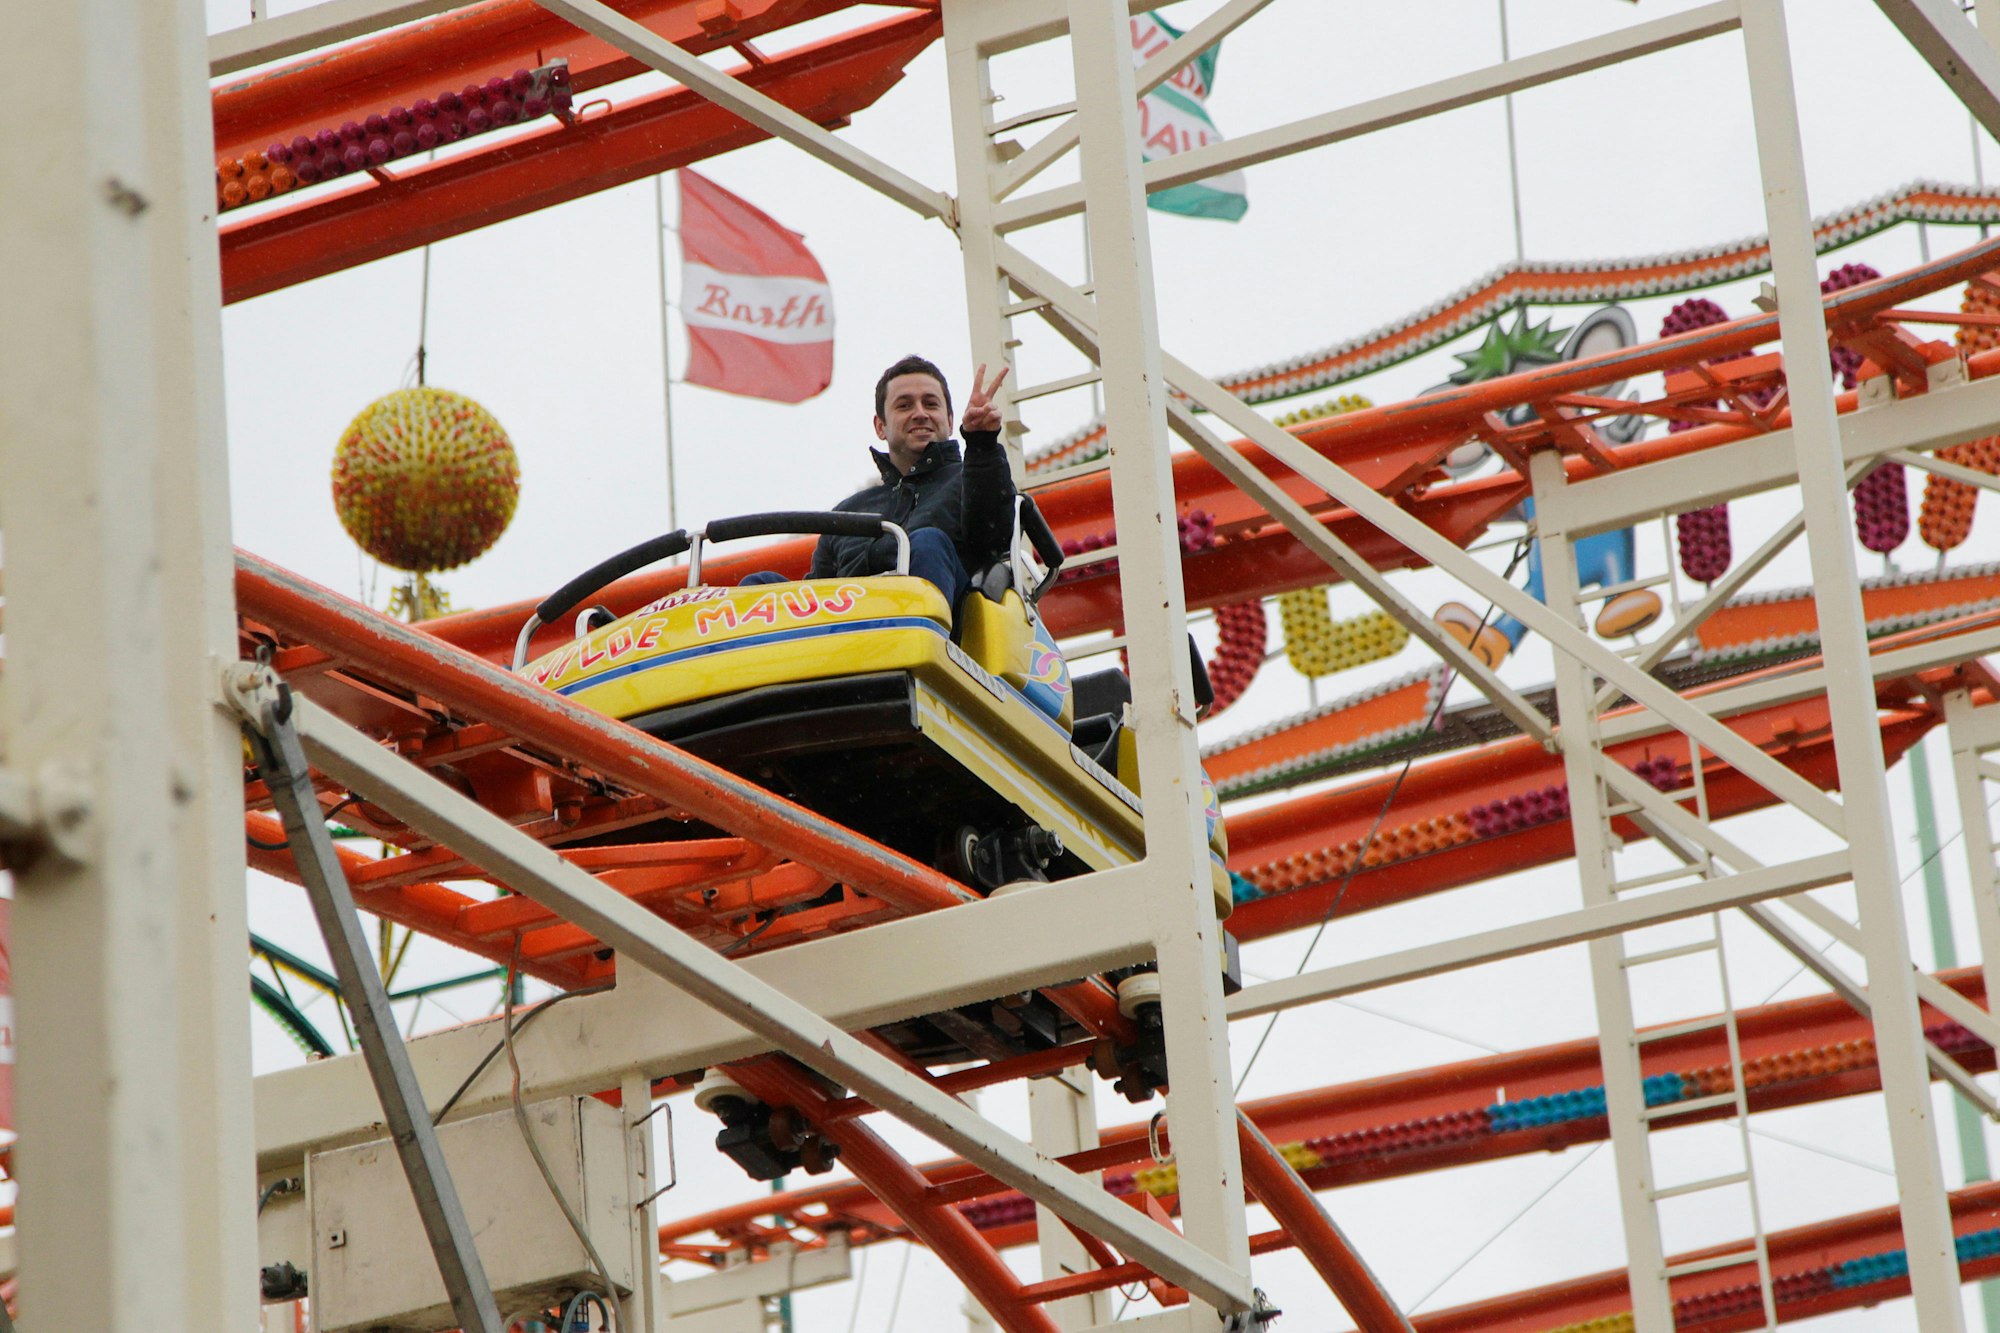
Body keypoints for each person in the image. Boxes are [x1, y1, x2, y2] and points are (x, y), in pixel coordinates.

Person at [744, 354, 1015, 609]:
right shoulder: (848, 512)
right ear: (880, 426)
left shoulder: (972, 477)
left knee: (927, 541)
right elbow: (818, 590)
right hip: (850, 630)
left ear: (950, 419)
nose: (920, 413)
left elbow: (994, 537)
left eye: (931, 404)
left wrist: (981, 443)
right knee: (757, 587)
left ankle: (917, 635)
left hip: (940, 628)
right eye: (904, 405)